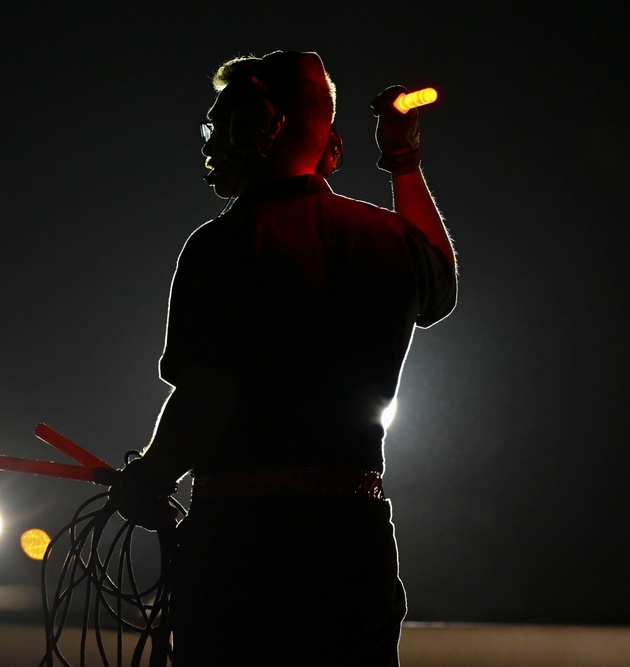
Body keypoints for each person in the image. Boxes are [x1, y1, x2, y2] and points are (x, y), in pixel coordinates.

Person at [113, 50, 456, 666]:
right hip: (356, 543)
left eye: (218, 125)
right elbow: (441, 282)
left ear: (260, 125)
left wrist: (149, 476)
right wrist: (403, 159)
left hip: (246, 546)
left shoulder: (221, 247)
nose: (208, 143)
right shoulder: (388, 240)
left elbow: (207, 398)